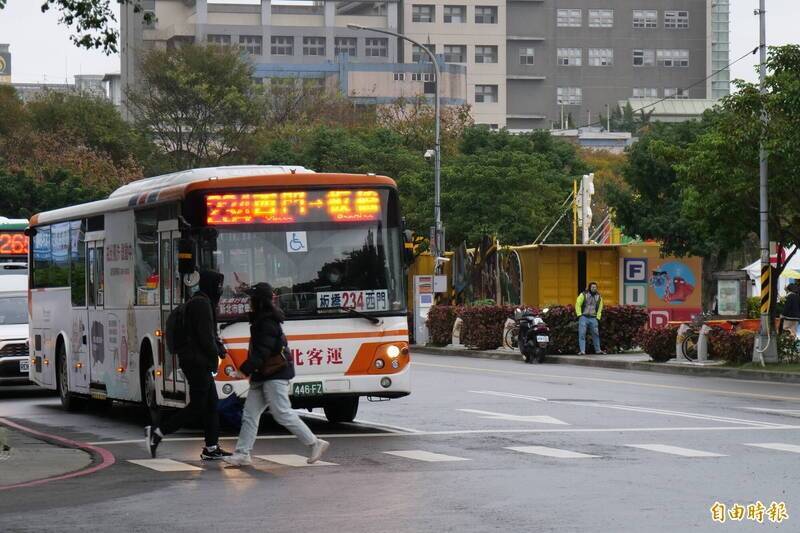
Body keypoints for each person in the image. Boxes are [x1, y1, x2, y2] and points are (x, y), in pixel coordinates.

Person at [224, 282, 329, 467]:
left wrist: (243, 370)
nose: (248, 302)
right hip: (263, 375)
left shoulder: (266, 322)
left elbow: (261, 352)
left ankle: (315, 442)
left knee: (282, 413)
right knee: (249, 415)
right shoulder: (261, 319)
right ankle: (242, 453)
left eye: (251, 299)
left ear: (258, 301)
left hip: (275, 374)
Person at [146, 270, 232, 460]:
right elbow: (205, 337)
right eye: (218, 286)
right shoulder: (202, 305)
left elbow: (207, 334)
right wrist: (216, 353)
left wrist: (217, 348)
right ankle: (159, 431)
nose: (220, 290)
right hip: (196, 362)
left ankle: (211, 448)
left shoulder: (200, 301)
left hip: (195, 360)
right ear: (210, 285)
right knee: (198, 406)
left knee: (211, 405)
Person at [575, 282, 605, 355]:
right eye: (592, 287)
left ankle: (598, 350)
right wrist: (579, 314)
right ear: (589, 288)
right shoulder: (583, 294)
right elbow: (578, 304)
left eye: (595, 287)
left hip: (593, 318)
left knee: (596, 334)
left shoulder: (599, 297)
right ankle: (582, 351)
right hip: (584, 317)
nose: (594, 288)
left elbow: (600, 307)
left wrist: (598, 317)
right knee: (582, 334)